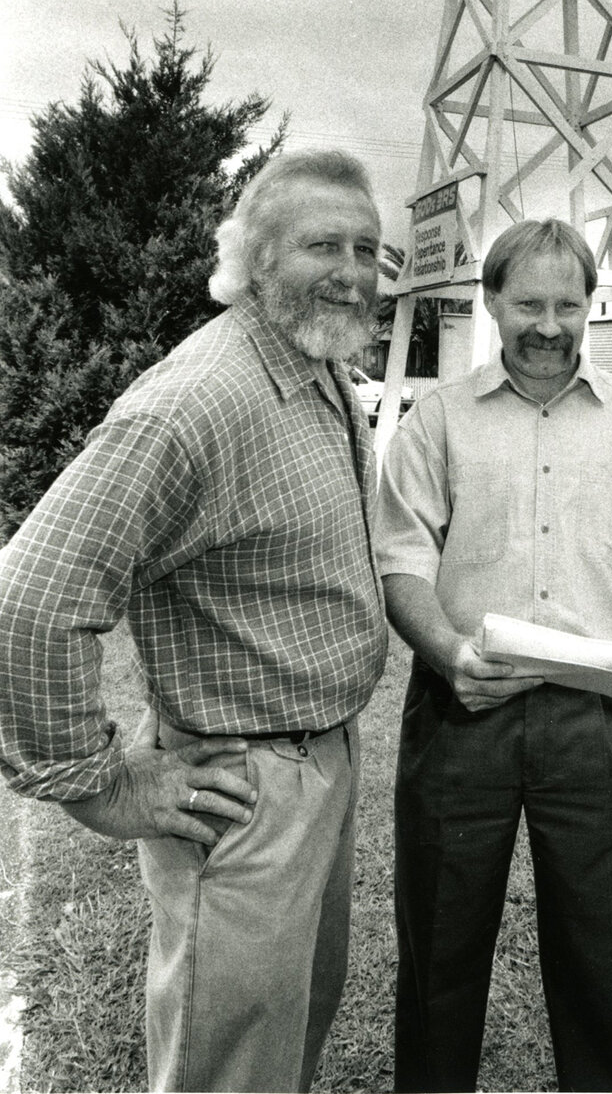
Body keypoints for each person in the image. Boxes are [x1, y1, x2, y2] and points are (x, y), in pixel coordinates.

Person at [0, 148, 388, 1093]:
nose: (351, 269)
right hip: (243, 785)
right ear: (255, 260)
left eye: (368, 249)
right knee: (229, 1067)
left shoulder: (315, 367)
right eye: (321, 244)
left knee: (281, 1038)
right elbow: (31, 596)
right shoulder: (195, 403)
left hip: (322, 762)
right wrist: (96, 788)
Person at [375, 217, 612, 1094]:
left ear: (590, 305)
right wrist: (449, 650)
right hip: (465, 709)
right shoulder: (438, 420)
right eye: (527, 302)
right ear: (491, 300)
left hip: (598, 722)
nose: (547, 323)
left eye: (566, 304)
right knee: (442, 953)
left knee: (593, 959)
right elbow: (401, 561)